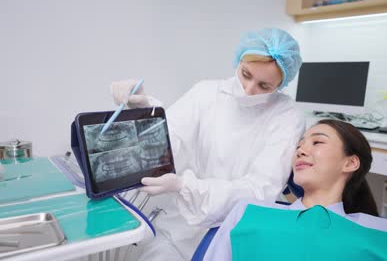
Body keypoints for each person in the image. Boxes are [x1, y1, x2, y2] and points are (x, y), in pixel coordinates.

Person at [111, 28, 305, 260]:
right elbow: (169, 139)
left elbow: (258, 191)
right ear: (239, 60)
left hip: (237, 231)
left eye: (264, 86)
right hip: (181, 223)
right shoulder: (207, 92)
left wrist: (185, 186)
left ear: (282, 84)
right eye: (246, 74)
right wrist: (143, 109)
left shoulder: (287, 116)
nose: (249, 89)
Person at [203, 119, 387, 261]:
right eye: (299, 145)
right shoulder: (247, 212)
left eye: (317, 143)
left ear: (350, 163)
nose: (301, 150)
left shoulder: (384, 233)